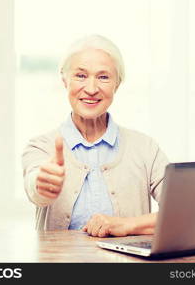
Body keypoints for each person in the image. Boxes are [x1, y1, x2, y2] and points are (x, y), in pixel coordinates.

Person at [22, 34, 169, 238]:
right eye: (81, 76)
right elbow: (34, 185)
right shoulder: (41, 146)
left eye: (103, 77)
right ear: (65, 80)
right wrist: (41, 184)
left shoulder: (145, 148)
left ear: (117, 84)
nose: (91, 89)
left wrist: (127, 225)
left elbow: (183, 212)